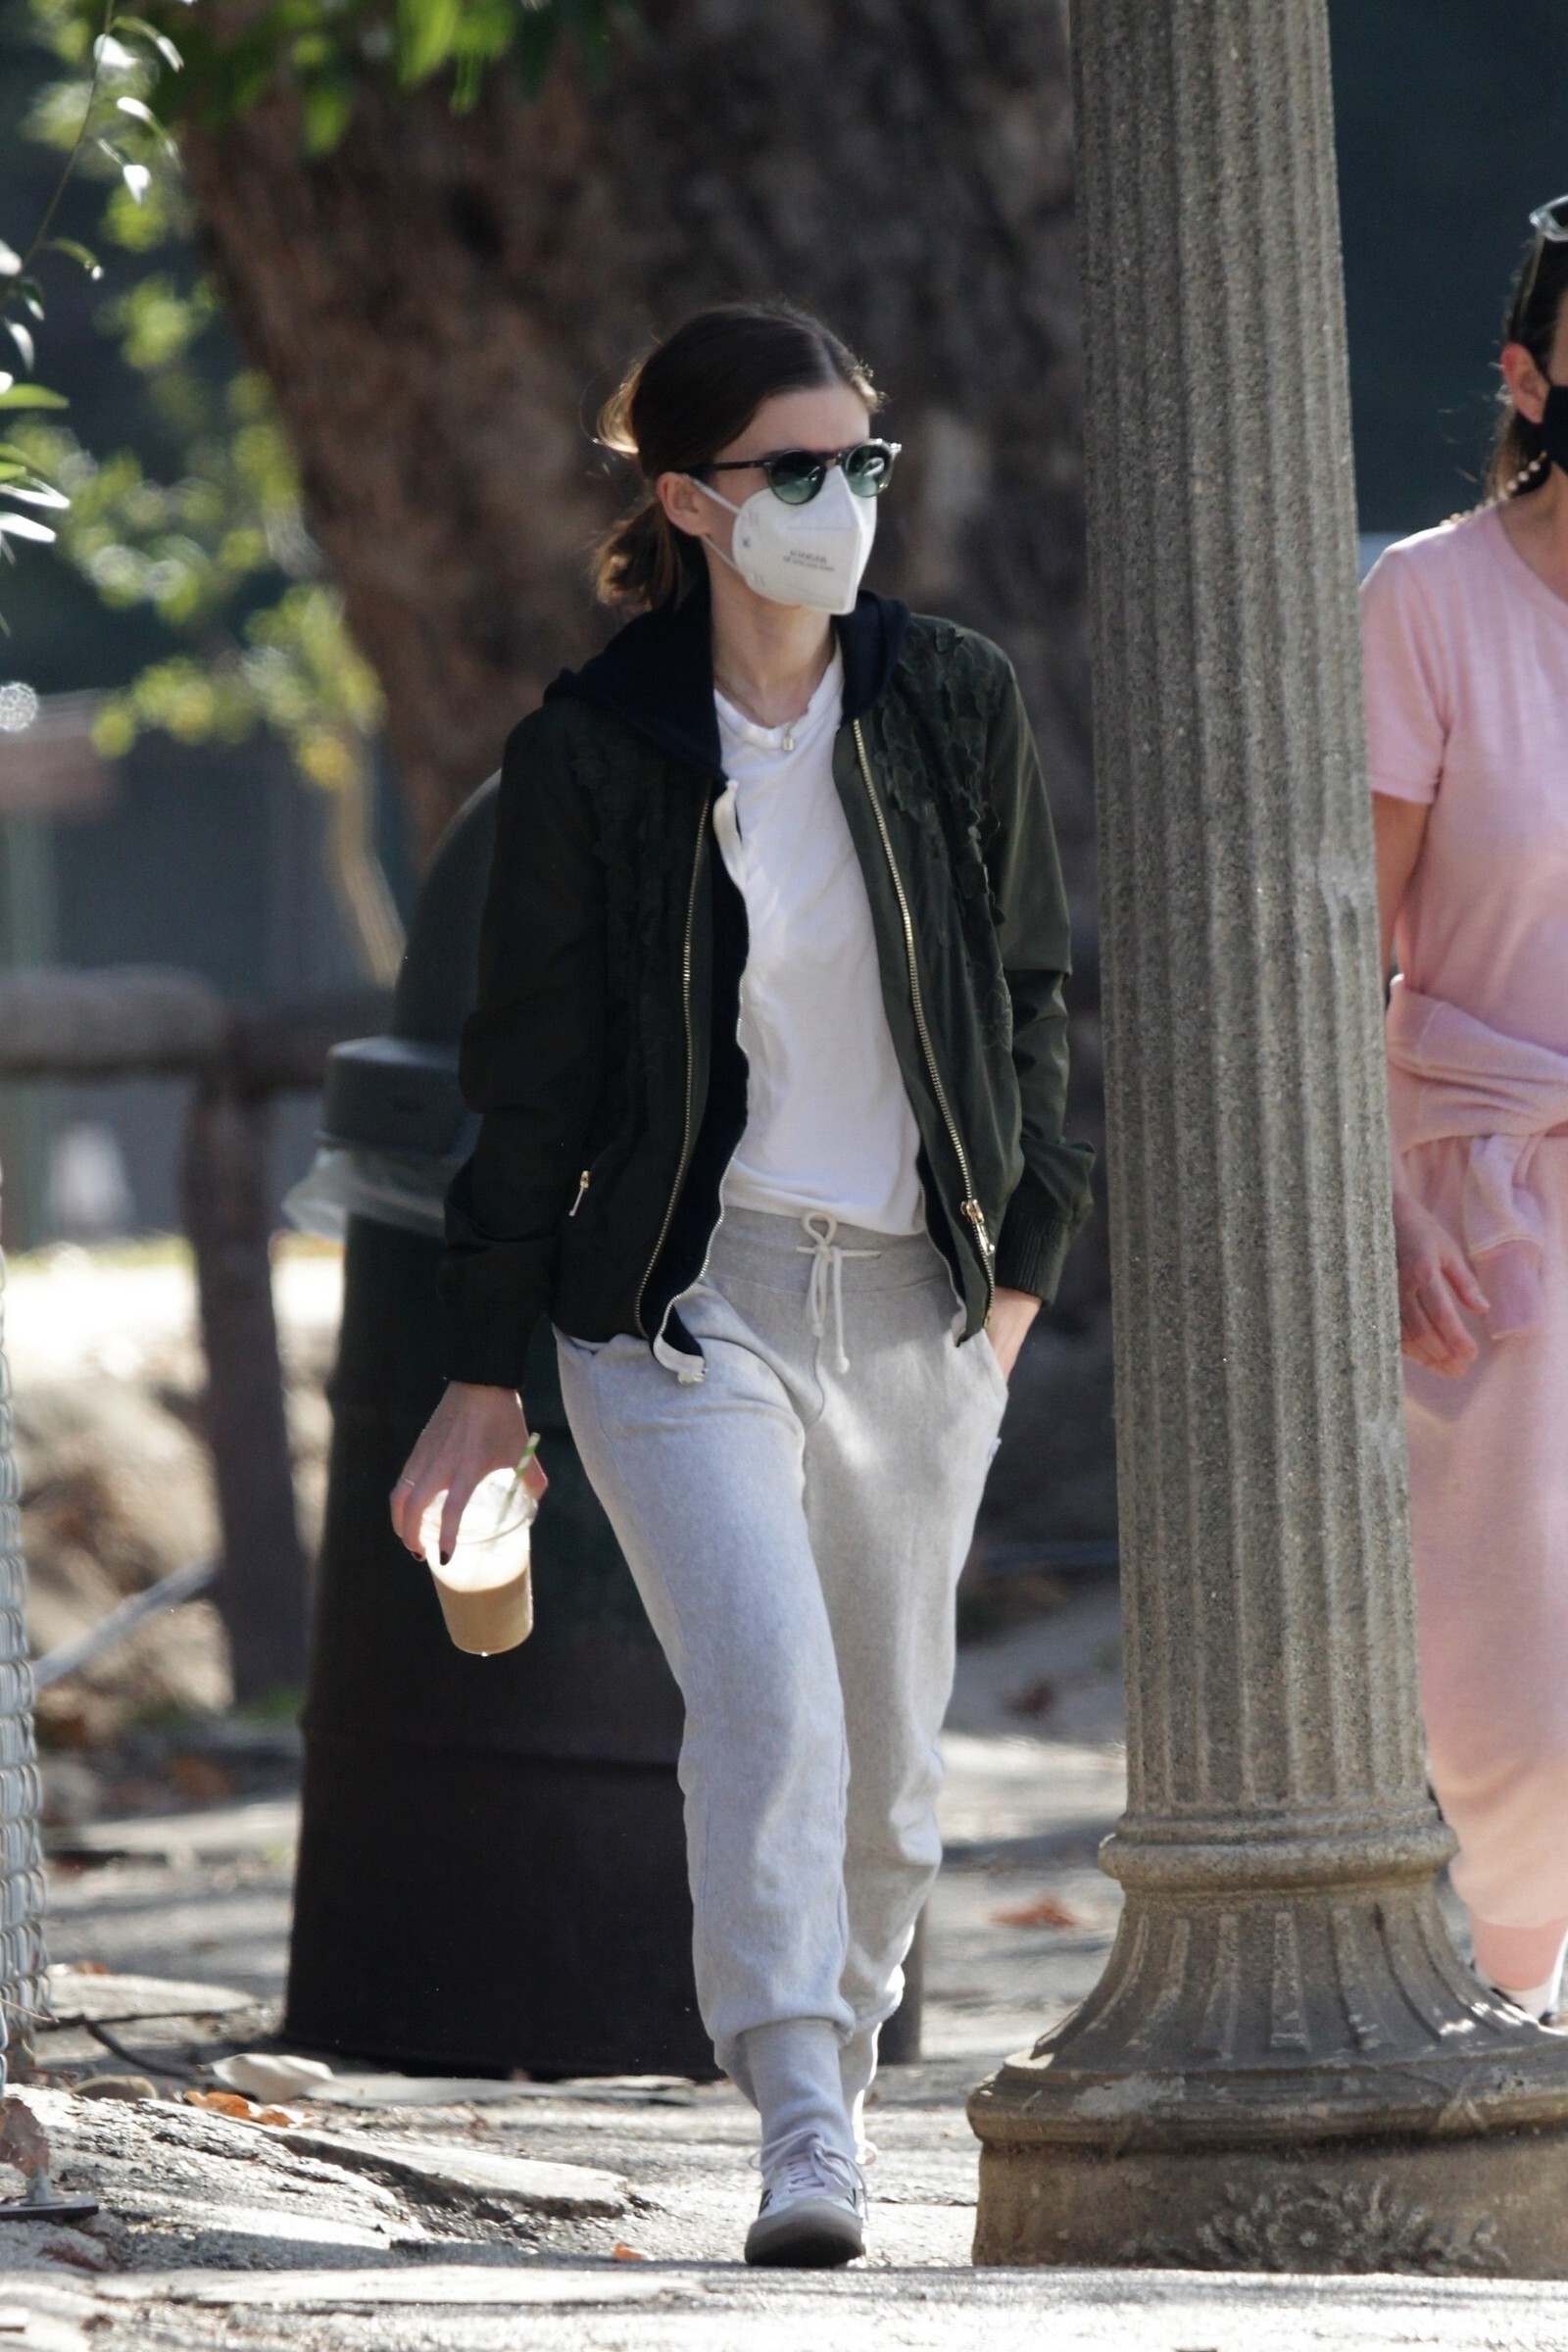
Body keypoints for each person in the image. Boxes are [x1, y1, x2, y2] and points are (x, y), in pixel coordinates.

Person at [391, 303, 1093, 2264]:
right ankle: (797, 2118)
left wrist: (1013, 1284)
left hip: (917, 1306)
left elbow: (1031, 1000)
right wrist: (480, 1376)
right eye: (795, 469)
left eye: (861, 462)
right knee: (772, 1704)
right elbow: (527, 1083)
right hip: (677, 1313)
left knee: (888, 1767)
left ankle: (836, 2078)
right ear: (691, 501)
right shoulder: (591, 752)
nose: (838, 500)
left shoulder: (949, 701)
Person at [1363, 197, 1568, 2027]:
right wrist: (1384, 1189)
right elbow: (1341, 944)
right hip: (1487, 1193)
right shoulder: (1424, 603)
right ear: (1527, 376)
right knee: (1520, 1715)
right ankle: (1508, 2034)